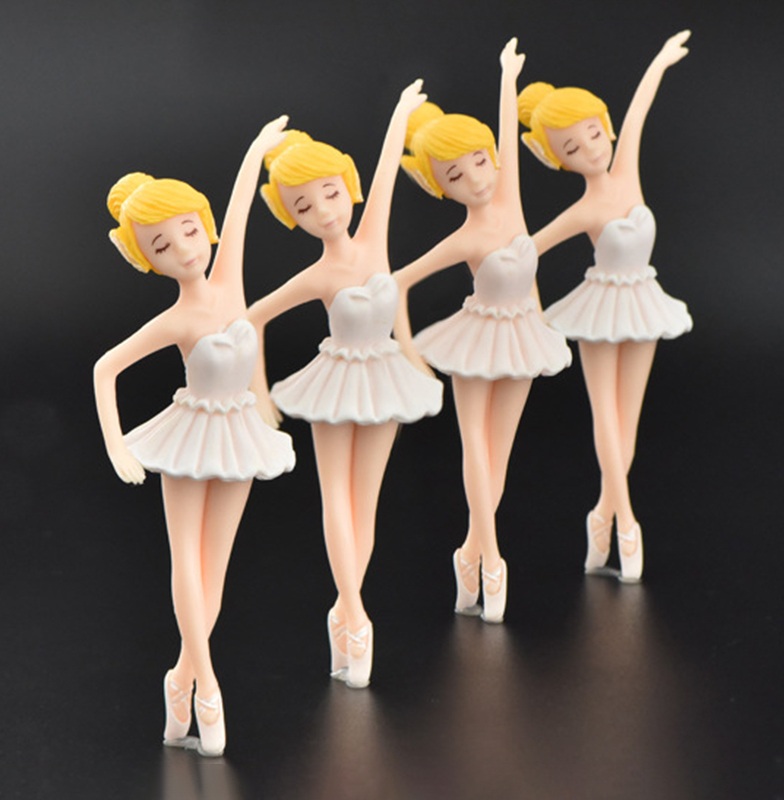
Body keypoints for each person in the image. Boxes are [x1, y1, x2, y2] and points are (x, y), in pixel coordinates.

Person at [93, 117, 295, 756]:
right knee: (186, 557)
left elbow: (239, 211)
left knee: (217, 564)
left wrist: (257, 150)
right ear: (147, 261)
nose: (183, 249)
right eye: (161, 245)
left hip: (238, 432)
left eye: (187, 230)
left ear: (202, 225)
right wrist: (117, 446)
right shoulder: (176, 318)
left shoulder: (230, 278)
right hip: (188, 438)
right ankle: (207, 684)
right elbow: (105, 368)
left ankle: (179, 677)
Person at [246, 81, 442, 688]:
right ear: (291, 218)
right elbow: (252, 318)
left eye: (331, 193)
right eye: (305, 207)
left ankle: (347, 605)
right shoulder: (319, 273)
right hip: (334, 383)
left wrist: (401, 111)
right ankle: (354, 612)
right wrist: (258, 392)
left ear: (347, 187)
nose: (326, 212)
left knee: (366, 497)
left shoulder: (374, 236)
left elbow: (384, 173)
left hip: (384, 377)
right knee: (335, 494)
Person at [395, 39, 571, 623]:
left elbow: (506, 134)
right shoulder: (466, 236)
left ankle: (468, 550)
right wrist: (412, 356)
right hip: (475, 340)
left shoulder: (512, 200)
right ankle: (491, 557)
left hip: (522, 336)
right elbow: (397, 283)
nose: (474, 178)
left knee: (500, 452)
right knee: (475, 444)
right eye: (455, 174)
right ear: (439, 187)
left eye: (479, 161)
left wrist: (507, 77)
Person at [519, 31, 693, 582]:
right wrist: (530, 313)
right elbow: (524, 253)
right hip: (599, 311)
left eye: (593, 134)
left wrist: (660, 60)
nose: (592, 149)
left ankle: (602, 511)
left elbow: (639, 109)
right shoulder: (585, 208)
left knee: (627, 418)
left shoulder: (627, 170)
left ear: (605, 127)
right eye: (573, 148)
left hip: (642, 302)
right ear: (557, 160)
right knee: (605, 413)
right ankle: (627, 521)